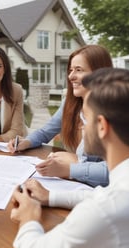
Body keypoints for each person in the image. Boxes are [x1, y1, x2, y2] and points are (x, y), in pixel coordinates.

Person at [10, 68, 129, 248]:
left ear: (102, 126)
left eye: (85, 118)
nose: (81, 125)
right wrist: (51, 197)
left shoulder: (103, 213)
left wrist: (29, 218)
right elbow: (101, 194)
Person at [8, 45, 113, 187]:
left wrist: (74, 165)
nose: (71, 76)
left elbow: (116, 170)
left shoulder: (115, 111)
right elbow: (46, 131)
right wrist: (26, 142)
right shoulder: (71, 103)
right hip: (76, 186)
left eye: (79, 70)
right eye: (70, 70)